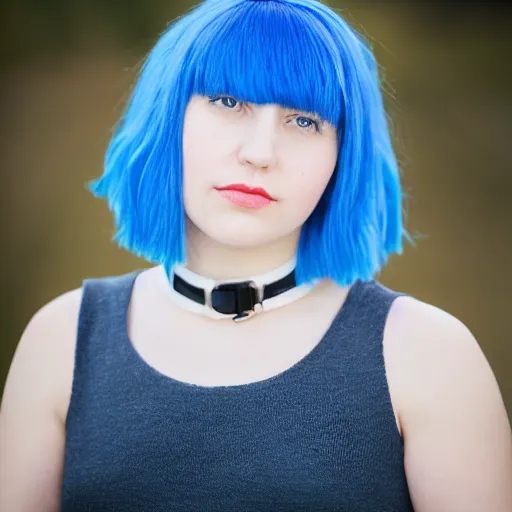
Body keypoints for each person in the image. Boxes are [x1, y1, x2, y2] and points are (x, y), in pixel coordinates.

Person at [1, 0, 511, 510]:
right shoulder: (62, 340)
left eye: (305, 121)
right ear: (168, 114)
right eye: (228, 102)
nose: (261, 152)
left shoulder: (427, 354)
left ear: (343, 154)